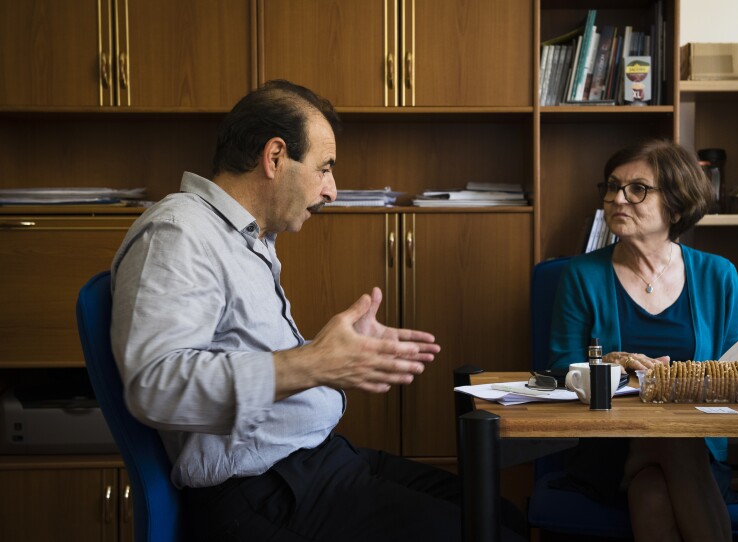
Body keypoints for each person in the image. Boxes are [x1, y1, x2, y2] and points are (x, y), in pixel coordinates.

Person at [110, 80, 526, 541]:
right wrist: (315, 362)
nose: (332, 190)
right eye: (324, 168)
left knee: (500, 515)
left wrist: (330, 358)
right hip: (261, 491)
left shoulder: (247, 240)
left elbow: (240, 357)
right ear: (274, 157)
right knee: (491, 534)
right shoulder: (180, 233)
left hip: (316, 462)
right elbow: (157, 387)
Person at [548, 139, 738, 542]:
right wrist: (614, 366)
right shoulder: (582, 274)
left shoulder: (718, 274)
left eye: (637, 189)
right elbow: (558, 367)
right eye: (612, 186)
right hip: (611, 444)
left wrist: (681, 380)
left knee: (653, 491)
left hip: (697, 446)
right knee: (673, 442)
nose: (617, 198)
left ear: (675, 205)